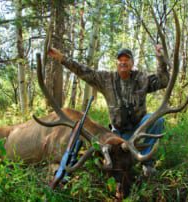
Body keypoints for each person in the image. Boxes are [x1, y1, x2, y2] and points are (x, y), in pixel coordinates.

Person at [48, 45, 169, 176]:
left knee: (158, 120)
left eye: (127, 59)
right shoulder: (107, 79)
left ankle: (146, 163)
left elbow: (164, 81)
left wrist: (160, 60)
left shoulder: (142, 78)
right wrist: (62, 58)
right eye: (120, 59)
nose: (123, 62)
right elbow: (83, 72)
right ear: (116, 63)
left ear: (132, 63)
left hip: (138, 130)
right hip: (116, 134)